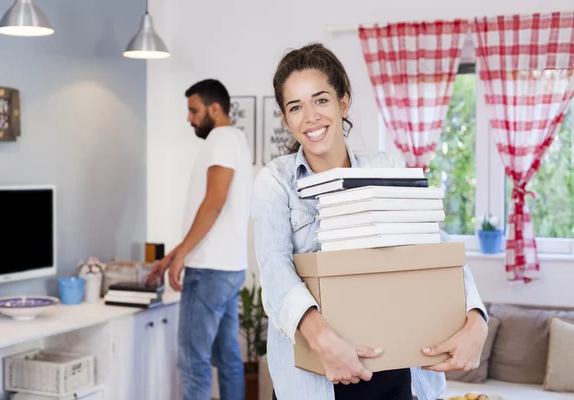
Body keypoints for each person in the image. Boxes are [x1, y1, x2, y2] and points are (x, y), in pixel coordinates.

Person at [250, 43, 489, 400]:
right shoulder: (276, 181)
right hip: (317, 378)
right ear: (286, 119)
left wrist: (477, 320)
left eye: (321, 100)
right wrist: (325, 342)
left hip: (394, 375)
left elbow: (434, 245)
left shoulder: (386, 169)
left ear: (343, 102)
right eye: (295, 107)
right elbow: (274, 269)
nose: (310, 117)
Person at [146, 79, 253, 400]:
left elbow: (214, 203)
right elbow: (212, 211)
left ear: (214, 108)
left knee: (193, 361)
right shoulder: (236, 140)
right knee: (228, 357)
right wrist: (174, 255)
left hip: (208, 271)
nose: (189, 118)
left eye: (194, 110)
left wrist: (183, 256)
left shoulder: (221, 139)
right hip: (229, 268)